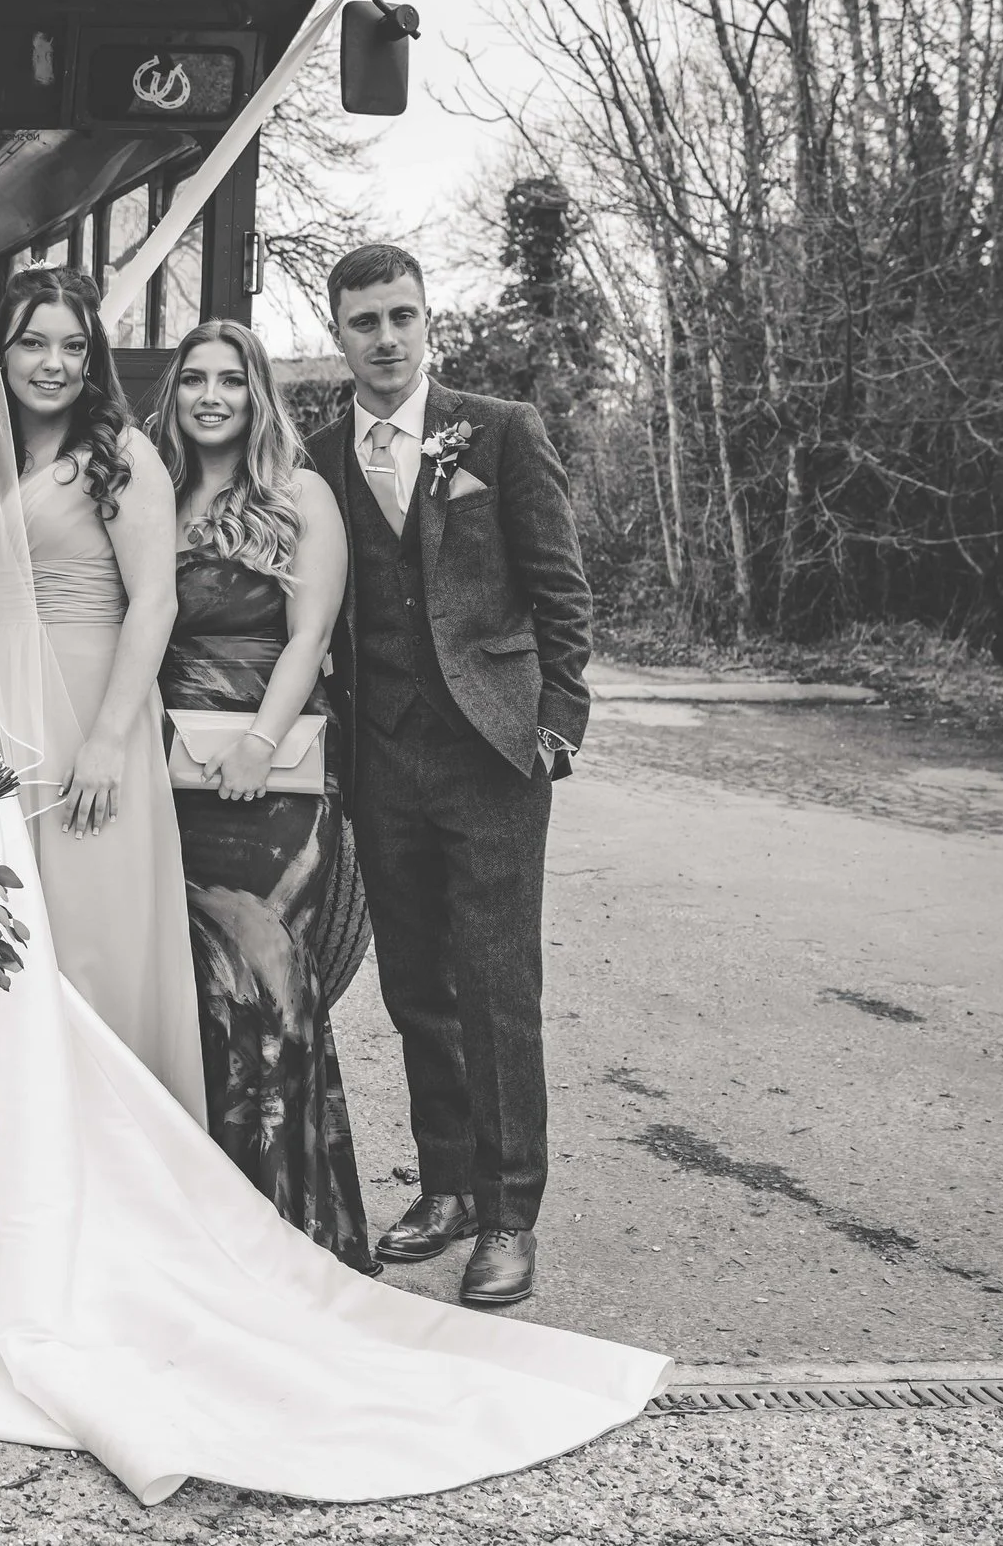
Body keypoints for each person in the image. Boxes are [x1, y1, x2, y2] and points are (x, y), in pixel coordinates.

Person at [0, 236, 663, 1505]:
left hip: (323, 746)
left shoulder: (357, 448)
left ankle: (484, 1208)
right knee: (17, 981)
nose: (53, 362)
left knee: (463, 985)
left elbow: (173, 610)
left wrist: (554, 720)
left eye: (400, 316)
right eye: (34, 342)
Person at [309, 244, 595, 1307]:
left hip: (492, 750)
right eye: (363, 321)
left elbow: (561, 588)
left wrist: (559, 721)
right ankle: (444, 1187)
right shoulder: (317, 455)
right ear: (335, 332)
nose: (385, 338)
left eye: (400, 317)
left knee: (495, 984)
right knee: (414, 985)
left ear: (428, 321)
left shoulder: (499, 430)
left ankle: (508, 1213)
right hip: (378, 756)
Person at [145, 319, 370, 1272]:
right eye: (192, 378)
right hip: (164, 781)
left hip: (270, 787)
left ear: (256, 392)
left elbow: (310, 635)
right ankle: (196, 1232)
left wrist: (259, 742)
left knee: (271, 985)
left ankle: (292, 1236)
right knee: (192, 998)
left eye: (229, 381)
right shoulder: (152, 492)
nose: (209, 396)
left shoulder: (300, 495)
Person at [0, 268, 201, 1122]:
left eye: (74, 345)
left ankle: (115, 1135)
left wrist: (110, 738)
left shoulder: (122, 453)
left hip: (90, 707)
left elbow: (156, 600)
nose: (54, 363)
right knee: (9, 928)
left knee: (92, 933)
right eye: (33, 341)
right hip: (0, 704)